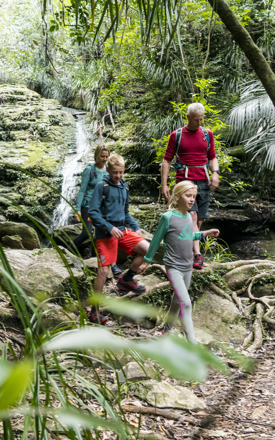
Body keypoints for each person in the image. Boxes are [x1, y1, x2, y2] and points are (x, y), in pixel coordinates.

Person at [138, 181, 220, 344]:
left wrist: (206, 233)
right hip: (173, 266)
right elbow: (156, 240)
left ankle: (166, 330)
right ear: (177, 196)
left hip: (187, 266)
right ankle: (192, 343)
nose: (191, 200)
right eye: (187, 196)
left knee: (177, 300)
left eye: (193, 197)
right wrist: (146, 261)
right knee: (186, 303)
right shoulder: (167, 218)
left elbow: (188, 236)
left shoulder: (190, 217)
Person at [88, 154, 149, 323]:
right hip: (105, 233)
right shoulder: (102, 186)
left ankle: (126, 280)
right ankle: (94, 311)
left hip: (123, 229)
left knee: (148, 250)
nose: (118, 176)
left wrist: (136, 228)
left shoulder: (124, 187)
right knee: (104, 272)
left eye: (121, 172)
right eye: (115, 172)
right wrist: (109, 227)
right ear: (107, 169)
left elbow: (126, 213)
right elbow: (93, 213)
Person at [161, 102, 220, 270]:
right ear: (187, 117)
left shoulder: (207, 134)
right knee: (192, 215)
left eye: (201, 120)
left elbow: (212, 157)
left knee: (199, 219)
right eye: (196, 120)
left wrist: (215, 173)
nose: (199, 123)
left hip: (203, 180)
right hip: (184, 181)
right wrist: (164, 184)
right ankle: (197, 255)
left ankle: (188, 248)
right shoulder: (177, 135)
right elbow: (167, 160)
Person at [73, 144, 122, 276]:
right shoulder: (90, 170)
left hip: (102, 207)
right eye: (102, 156)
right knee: (87, 233)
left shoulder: (108, 171)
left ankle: (96, 257)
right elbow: (82, 190)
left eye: (106, 157)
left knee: (102, 234)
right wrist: (77, 209)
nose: (104, 159)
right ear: (96, 155)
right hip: (88, 205)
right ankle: (69, 249)